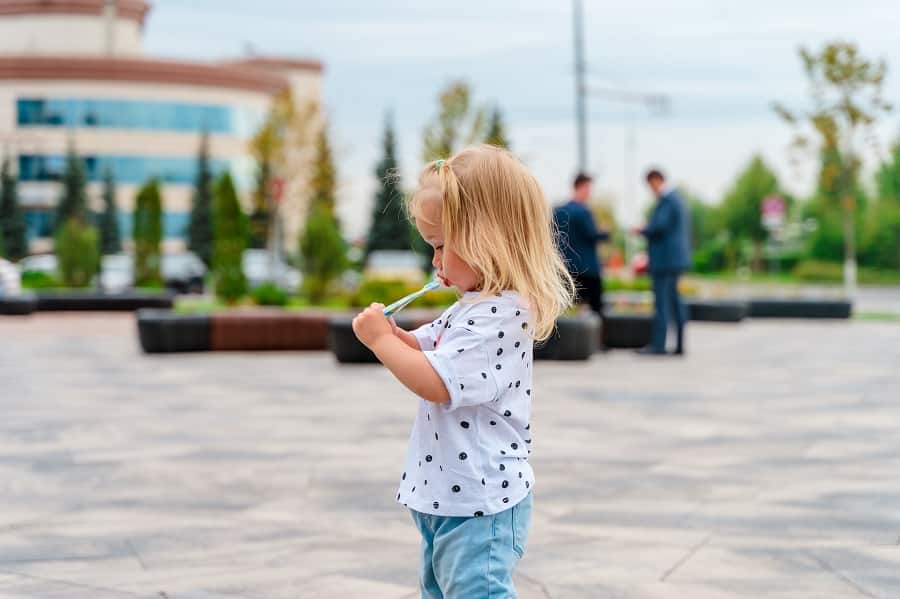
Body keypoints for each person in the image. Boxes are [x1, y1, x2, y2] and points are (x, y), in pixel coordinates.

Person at [352, 145, 574, 598]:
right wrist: (396, 336)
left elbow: (435, 382)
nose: (433, 262)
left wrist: (379, 342)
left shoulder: (501, 316)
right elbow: (424, 348)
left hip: (480, 502)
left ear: (486, 238)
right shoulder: (472, 307)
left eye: (439, 246)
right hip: (449, 497)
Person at [633, 169, 691, 355]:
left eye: (650, 185)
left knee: (663, 304)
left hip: (666, 262)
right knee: (674, 302)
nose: (651, 190)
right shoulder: (677, 199)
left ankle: (659, 345)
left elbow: (659, 227)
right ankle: (679, 345)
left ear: (657, 180)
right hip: (673, 261)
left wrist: (643, 229)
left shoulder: (668, 200)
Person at [553, 173, 610, 317]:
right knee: (596, 310)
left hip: (565, 267)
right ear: (582, 187)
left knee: (563, 310)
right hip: (588, 268)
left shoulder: (559, 211)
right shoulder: (584, 212)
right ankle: (596, 340)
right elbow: (591, 235)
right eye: (589, 189)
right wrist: (604, 232)